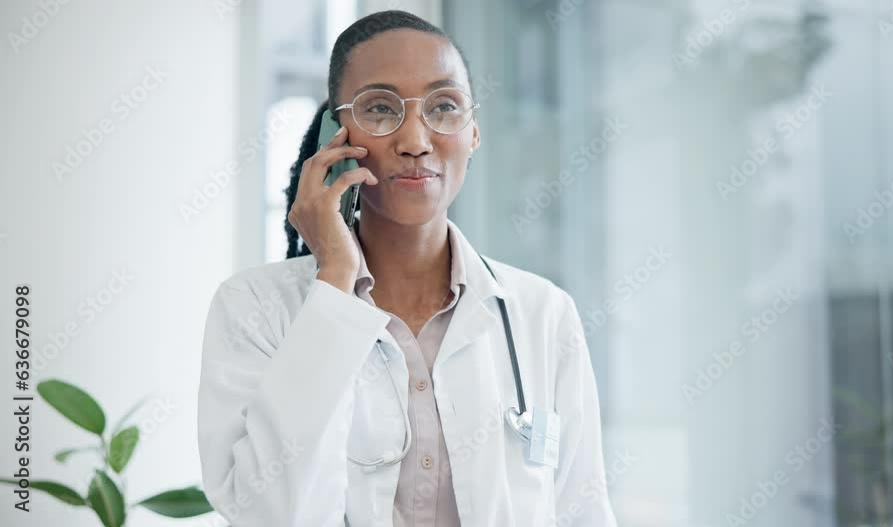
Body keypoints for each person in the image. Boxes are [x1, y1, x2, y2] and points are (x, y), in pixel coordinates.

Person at [197, 9, 616, 526]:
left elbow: (584, 512)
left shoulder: (543, 314)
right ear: (336, 135)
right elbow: (270, 514)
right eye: (379, 109)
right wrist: (333, 283)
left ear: (474, 133)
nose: (416, 140)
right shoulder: (256, 309)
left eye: (444, 106)